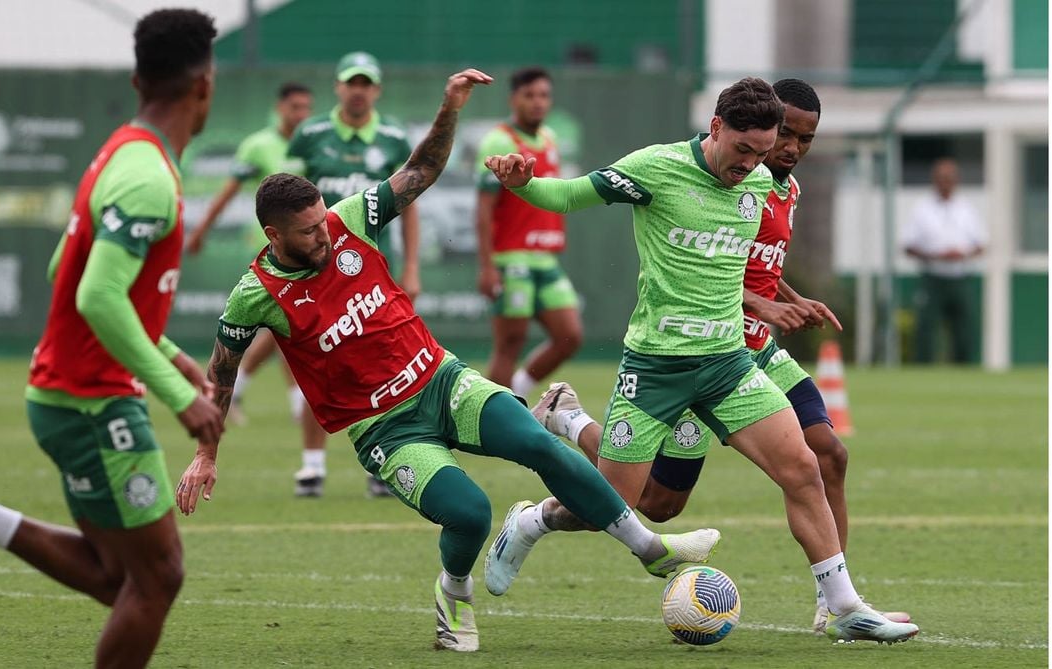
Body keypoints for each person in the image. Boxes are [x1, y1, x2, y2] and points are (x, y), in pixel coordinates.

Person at [174, 68, 721, 653]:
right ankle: (453, 594)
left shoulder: (349, 220)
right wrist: (206, 454)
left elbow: (421, 172)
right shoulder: (255, 292)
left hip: (441, 379)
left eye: (322, 222)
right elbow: (222, 371)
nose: (324, 236)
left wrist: (451, 106)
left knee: (538, 444)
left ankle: (650, 550)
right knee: (470, 513)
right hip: (386, 426)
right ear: (272, 235)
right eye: (307, 232)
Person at [482, 77, 920, 645]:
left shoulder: (761, 182)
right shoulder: (655, 169)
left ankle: (845, 606)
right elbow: (568, 196)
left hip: (728, 365)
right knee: (616, 505)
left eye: (764, 153)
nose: (753, 165)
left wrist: (772, 299)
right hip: (657, 369)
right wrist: (525, 184)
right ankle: (531, 520)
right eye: (744, 150)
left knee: (805, 467)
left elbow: (741, 265)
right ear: (716, 128)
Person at [0, 10, 225, 668]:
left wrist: (171, 353)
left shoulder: (122, 151)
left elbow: (63, 275)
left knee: (115, 577)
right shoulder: (148, 176)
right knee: (158, 580)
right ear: (205, 86)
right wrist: (178, 396)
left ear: (135, 81)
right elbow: (95, 294)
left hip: (66, 399)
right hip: (93, 404)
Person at [284, 51, 421, 497]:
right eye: (351, 82)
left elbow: (410, 205)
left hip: (375, 268)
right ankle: (311, 465)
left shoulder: (395, 137)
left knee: (383, 365)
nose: (358, 90)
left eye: (367, 83)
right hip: (315, 270)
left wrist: (413, 266)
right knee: (317, 363)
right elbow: (286, 203)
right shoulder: (311, 135)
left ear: (376, 90)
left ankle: (384, 462)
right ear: (338, 88)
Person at [185, 82, 314, 428]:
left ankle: (240, 390)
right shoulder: (259, 146)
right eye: (294, 107)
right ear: (280, 108)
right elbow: (228, 193)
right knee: (287, 322)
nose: (300, 115)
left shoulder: (313, 143)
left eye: (306, 108)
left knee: (283, 324)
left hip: (307, 252)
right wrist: (200, 232)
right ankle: (298, 402)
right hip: (271, 254)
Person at [475, 67, 582, 399]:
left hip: (546, 258)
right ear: (514, 99)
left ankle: (518, 391)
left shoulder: (549, 138)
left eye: (544, 96)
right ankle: (489, 420)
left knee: (570, 336)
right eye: (530, 95)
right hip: (511, 258)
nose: (538, 103)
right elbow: (483, 208)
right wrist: (488, 265)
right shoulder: (499, 140)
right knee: (510, 343)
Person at [902, 157, 985, 364]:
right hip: (933, 276)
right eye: (941, 178)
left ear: (956, 180)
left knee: (964, 328)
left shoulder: (966, 208)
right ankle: (924, 369)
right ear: (934, 180)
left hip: (959, 276)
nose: (946, 182)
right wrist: (936, 255)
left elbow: (981, 243)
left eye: (949, 178)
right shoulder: (922, 208)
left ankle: (964, 370)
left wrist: (962, 253)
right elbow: (908, 245)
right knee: (927, 327)